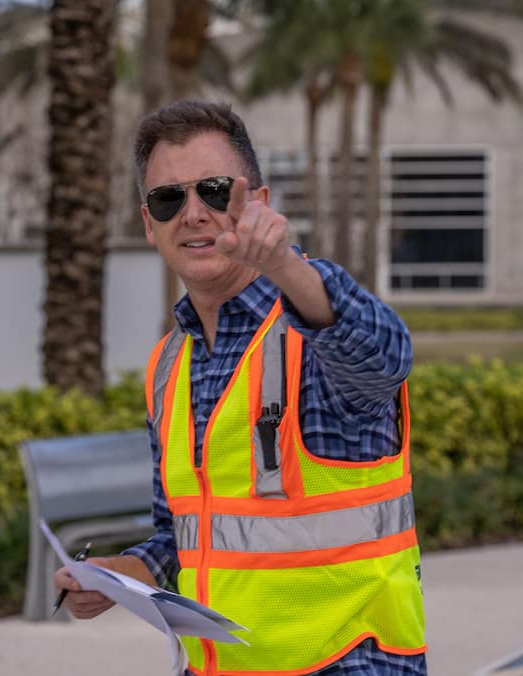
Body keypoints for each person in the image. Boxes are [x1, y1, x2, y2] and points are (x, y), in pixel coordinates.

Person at [53, 100, 426, 674]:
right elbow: (185, 534)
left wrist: (286, 266)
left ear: (259, 205)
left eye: (215, 190)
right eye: (168, 198)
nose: (194, 213)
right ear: (149, 223)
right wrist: (122, 575)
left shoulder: (314, 326)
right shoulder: (169, 365)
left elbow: (387, 355)